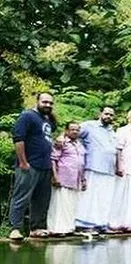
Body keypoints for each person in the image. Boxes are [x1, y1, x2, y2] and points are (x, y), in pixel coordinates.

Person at [8, 92, 57, 240]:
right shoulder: (27, 116)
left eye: (50, 103)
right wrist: (23, 162)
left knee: (41, 199)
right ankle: (15, 228)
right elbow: (18, 138)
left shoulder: (47, 120)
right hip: (29, 165)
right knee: (21, 197)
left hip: (45, 166)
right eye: (45, 102)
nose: (48, 105)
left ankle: (36, 228)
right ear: (37, 101)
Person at [75, 106, 117, 234]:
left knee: (104, 199)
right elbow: (73, 133)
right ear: (100, 113)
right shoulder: (89, 125)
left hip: (109, 170)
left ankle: (101, 224)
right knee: (89, 197)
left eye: (111, 115)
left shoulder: (112, 131)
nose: (108, 117)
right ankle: (84, 224)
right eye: (106, 114)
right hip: (93, 167)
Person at [108, 109, 131, 232]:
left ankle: (130, 225)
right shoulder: (122, 131)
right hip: (124, 170)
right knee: (120, 198)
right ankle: (115, 224)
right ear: (129, 118)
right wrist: (119, 166)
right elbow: (118, 150)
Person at [47, 122, 86, 236]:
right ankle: (57, 229)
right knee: (60, 205)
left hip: (76, 180)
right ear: (67, 130)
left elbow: (81, 164)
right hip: (63, 178)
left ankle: (69, 228)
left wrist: (83, 180)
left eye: (77, 130)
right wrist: (55, 176)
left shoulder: (80, 144)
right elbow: (53, 159)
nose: (75, 132)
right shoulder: (61, 142)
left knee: (71, 205)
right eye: (72, 129)